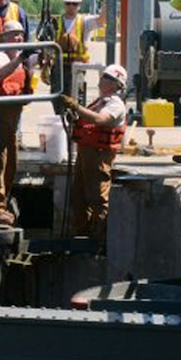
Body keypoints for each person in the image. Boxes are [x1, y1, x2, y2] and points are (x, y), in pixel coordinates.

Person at [61, 64, 127, 254]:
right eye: (103, 76)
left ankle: (100, 240)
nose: (102, 79)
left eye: (107, 78)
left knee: (97, 197)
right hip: (87, 151)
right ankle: (81, 234)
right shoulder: (100, 100)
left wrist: (76, 107)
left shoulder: (114, 104)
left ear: (116, 85)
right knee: (79, 195)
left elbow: (100, 120)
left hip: (99, 154)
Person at [0, 20, 33, 225]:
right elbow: (1, 72)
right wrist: (21, 57)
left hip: (10, 122)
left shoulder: (20, 60)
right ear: (3, 38)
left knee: (11, 163)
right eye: (13, 35)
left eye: (21, 35)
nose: (18, 38)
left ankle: (4, 201)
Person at [50, 0, 103, 114]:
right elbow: (48, 47)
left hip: (77, 68)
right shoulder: (55, 22)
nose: (71, 6)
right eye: (68, 3)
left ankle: (74, 123)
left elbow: (101, 20)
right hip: (59, 67)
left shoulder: (84, 21)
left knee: (76, 98)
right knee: (57, 97)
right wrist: (45, 66)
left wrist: (106, 4)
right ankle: (60, 120)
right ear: (64, 4)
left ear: (79, 5)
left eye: (75, 4)